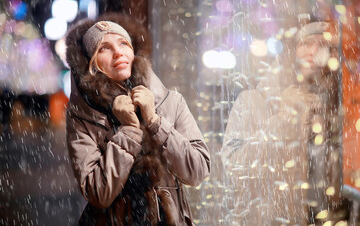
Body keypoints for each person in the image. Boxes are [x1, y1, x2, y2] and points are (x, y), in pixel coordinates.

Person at [65, 13, 210, 226]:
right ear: (91, 64)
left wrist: (154, 121)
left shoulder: (171, 101)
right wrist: (128, 130)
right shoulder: (83, 116)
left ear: (133, 52)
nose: (117, 52)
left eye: (123, 43)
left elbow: (198, 171)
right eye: (104, 48)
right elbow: (98, 192)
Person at [221, 21, 340, 225]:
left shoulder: (336, 109)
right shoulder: (253, 101)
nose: (314, 50)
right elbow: (235, 169)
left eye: (322, 44)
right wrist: (285, 119)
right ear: (290, 53)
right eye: (306, 43)